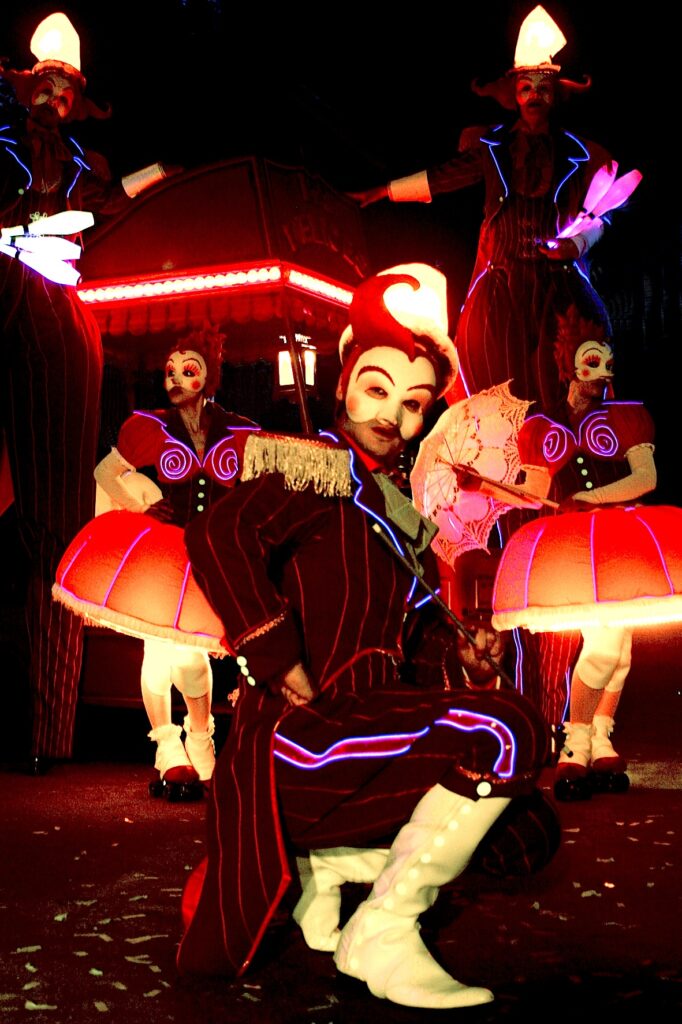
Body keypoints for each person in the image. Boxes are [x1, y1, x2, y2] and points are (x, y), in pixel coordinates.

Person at [177, 263, 558, 1010]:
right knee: (508, 731)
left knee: (529, 830)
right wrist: (277, 656)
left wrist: (465, 660)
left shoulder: (397, 513)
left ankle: (325, 868)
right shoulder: (313, 469)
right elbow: (218, 534)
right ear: (345, 380)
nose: (393, 415)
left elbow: (410, 645)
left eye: (414, 403)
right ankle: (382, 929)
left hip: (370, 732)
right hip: (300, 738)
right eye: (377, 389)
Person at [0, 12, 171, 773]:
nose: (56, 97)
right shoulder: (0, 143)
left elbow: (111, 205)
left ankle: (48, 736)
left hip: (56, 313)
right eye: (46, 84)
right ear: (27, 87)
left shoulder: (86, 166)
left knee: (57, 522)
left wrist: (153, 175)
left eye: (67, 89)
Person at [350, 5, 616, 414]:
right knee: (495, 375)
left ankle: (564, 445)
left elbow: (605, 212)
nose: (534, 96)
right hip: (500, 285)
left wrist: (577, 244)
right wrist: (384, 191)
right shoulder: (492, 148)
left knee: (563, 378)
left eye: (543, 88)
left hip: (559, 287)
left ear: (555, 95)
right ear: (514, 96)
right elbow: (443, 177)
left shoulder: (580, 155)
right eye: (526, 88)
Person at [94, 326, 259, 797]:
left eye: (188, 370)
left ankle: (200, 737)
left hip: (210, 553)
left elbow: (257, 486)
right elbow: (106, 471)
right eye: (170, 370)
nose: (176, 379)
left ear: (209, 376)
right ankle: (168, 748)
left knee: (191, 652)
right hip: (165, 551)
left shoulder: (235, 428)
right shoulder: (155, 426)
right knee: (158, 648)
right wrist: (141, 508)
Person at [516, 305, 656, 797]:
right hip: (575, 549)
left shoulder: (623, 416)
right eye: (593, 362)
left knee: (622, 652)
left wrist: (591, 499)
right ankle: (575, 741)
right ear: (569, 365)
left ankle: (599, 737)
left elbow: (646, 478)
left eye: (608, 363)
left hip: (621, 539)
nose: (603, 373)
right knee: (604, 645)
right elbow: (534, 491)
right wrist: (491, 489)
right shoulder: (543, 425)